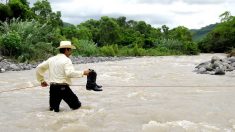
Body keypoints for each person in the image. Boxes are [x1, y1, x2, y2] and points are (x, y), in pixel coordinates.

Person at [35, 41, 102, 112]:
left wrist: (41, 80)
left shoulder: (51, 59)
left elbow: (39, 68)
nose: (71, 52)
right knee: (77, 107)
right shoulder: (66, 60)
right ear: (66, 49)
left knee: (53, 111)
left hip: (53, 88)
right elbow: (69, 73)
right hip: (63, 88)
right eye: (70, 49)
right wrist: (84, 72)